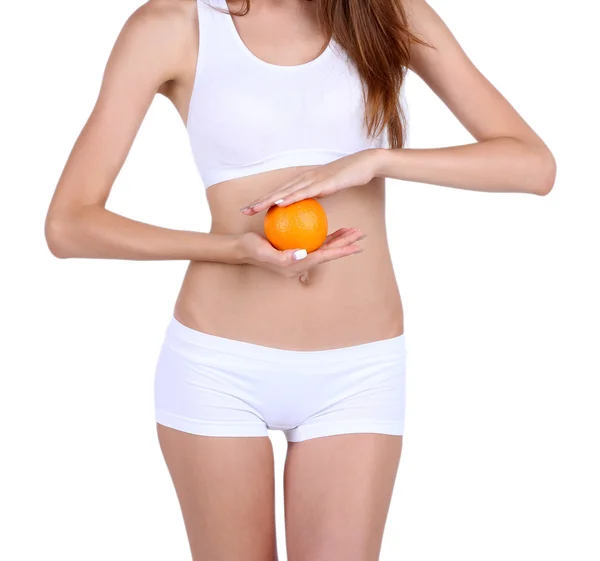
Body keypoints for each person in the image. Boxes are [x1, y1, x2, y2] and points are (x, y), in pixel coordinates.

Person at [44, 0, 556, 559]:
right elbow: (69, 226)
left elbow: (532, 165)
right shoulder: (171, 25)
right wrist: (232, 251)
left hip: (358, 369)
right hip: (221, 365)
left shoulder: (386, 13)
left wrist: (375, 162)